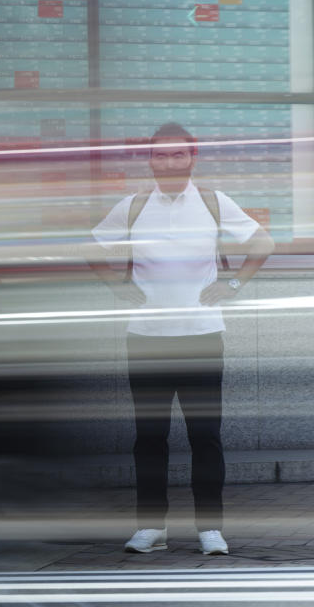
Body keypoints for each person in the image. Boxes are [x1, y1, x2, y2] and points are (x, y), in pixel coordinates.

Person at [88, 122, 275, 555]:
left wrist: (231, 287)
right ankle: (151, 527)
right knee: (149, 437)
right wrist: (118, 288)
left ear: (193, 158)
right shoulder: (134, 206)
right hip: (147, 338)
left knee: (205, 436)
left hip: (203, 336)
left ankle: (210, 529)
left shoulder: (212, 202)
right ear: (149, 160)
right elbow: (92, 246)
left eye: (178, 155)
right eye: (160, 155)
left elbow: (262, 243)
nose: (169, 162)